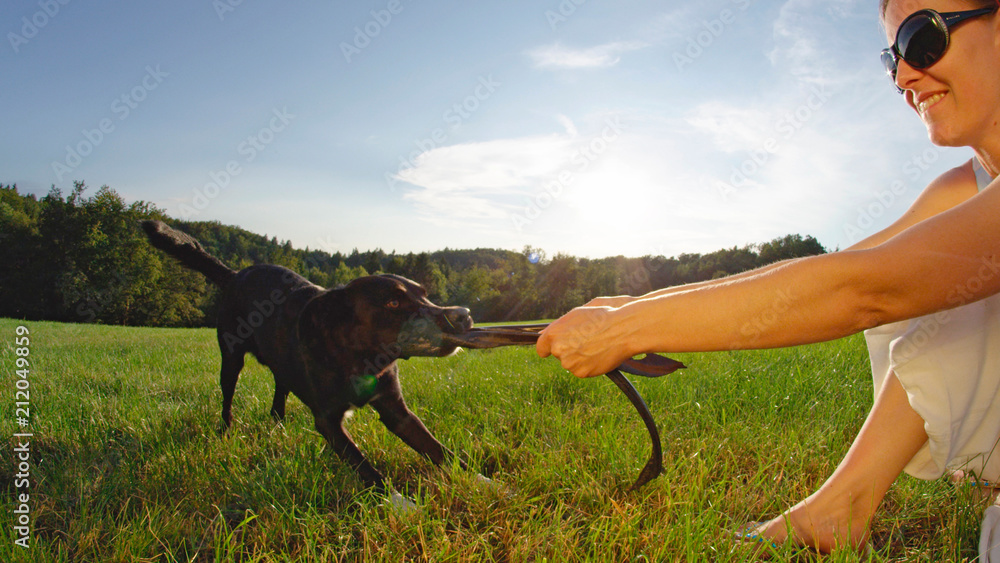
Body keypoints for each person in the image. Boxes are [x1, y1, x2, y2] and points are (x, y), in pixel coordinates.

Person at [536, 0, 1000, 554]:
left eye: (923, 39)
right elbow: (835, 271)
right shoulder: (966, 187)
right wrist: (638, 304)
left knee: (930, 279)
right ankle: (840, 509)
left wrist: (628, 328)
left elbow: (869, 291)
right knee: (944, 283)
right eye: (890, 57)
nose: (902, 75)